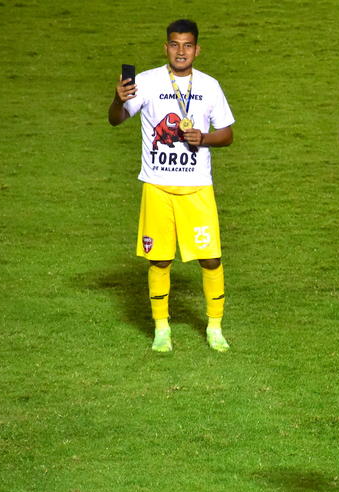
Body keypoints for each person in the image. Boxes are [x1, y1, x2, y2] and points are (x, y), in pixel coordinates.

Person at [108, 19, 235, 352]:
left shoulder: (209, 86)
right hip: (157, 187)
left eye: (188, 45)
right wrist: (118, 100)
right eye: (175, 45)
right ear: (166, 47)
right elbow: (116, 119)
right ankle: (161, 328)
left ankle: (215, 327)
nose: (181, 51)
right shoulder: (147, 82)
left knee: (210, 258)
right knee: (159, 260)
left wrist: (203, 137)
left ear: (197, 49)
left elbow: (227, 134)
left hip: (197, 189)